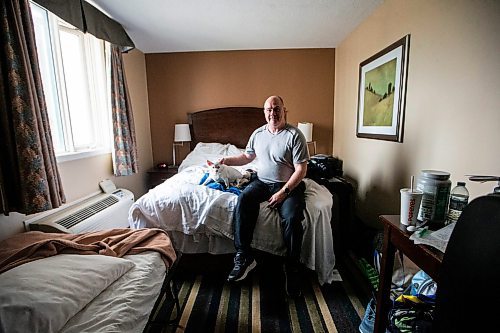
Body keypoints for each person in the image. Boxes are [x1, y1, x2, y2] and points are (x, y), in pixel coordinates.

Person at [220, 95, 309, 297]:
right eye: (269, 109)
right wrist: (226, 160)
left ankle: (293, 268)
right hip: (262, 182)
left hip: (288, 185)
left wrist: (283, 192)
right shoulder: (258, 133)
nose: (273, 113)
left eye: (276, 109)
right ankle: (244, 255)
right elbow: (247, 156)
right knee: (243, 199)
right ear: (264, 112)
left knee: (293, 218)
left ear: (284, 110)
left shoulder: (295, 135)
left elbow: (301, 170)